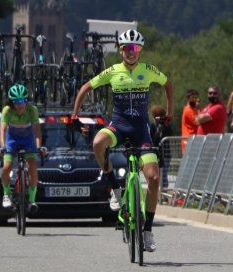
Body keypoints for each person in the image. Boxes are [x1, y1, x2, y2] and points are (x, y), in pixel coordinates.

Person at [72, 29, 174, 252]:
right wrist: (75, 115)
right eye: (127, 48)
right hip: (118, 126)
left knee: (154, 177)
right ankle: (116, 190)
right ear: (120, 51)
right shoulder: (112, 71)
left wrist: (170, 111)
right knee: (98, 143)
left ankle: (147, 230)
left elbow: (168, 84)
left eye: (135, 48)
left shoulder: (148, 70)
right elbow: (85, 88)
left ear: (140, 51)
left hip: (140, 130)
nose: (131, 52)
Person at [0, 84, 45, 211]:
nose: (20, 104)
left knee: (33, 168)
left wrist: (39, 147)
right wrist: (2, 147)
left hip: (28, 139)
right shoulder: (7, 110)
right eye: (17, 101)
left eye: (23, 100)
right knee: (6, 167)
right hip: (12, 139)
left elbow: (37, 131)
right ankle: (6, 194)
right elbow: (2, 131)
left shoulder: (32, 109)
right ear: (12, 102)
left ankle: (32, 201)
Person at [150, 105, 173, 191]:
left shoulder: (166, 125)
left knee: (164, 174)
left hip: (166, 154)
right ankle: (157, 192)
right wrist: (158, 129)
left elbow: (170, 134)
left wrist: (166, 124)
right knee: (156, 175)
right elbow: (152, 139)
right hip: (155, 154)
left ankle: (164, 192)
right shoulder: (152, 125)